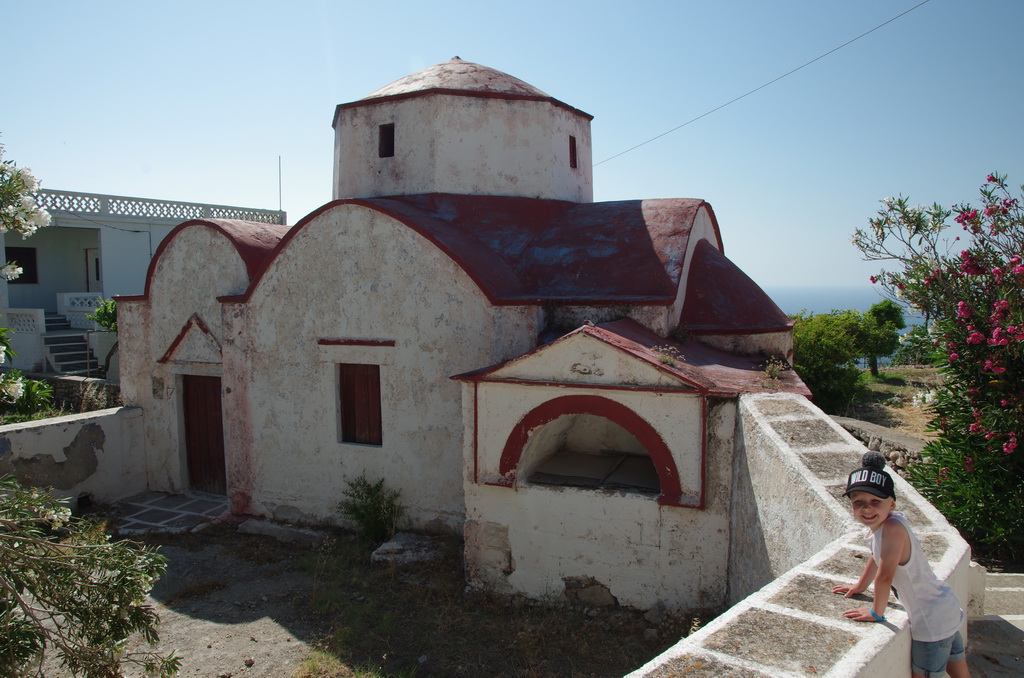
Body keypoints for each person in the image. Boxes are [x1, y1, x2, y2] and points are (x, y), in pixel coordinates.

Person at [832, 451, 970, 678]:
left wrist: (876, 612)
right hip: (943, 608)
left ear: (892, 504)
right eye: (859, 503)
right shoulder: (885, 527)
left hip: (931, 620)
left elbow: (885, 576)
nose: (867, 508)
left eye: (875, 502)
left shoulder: (892, 529)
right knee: (960, 672)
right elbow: (877, 558)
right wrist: (860, 586)